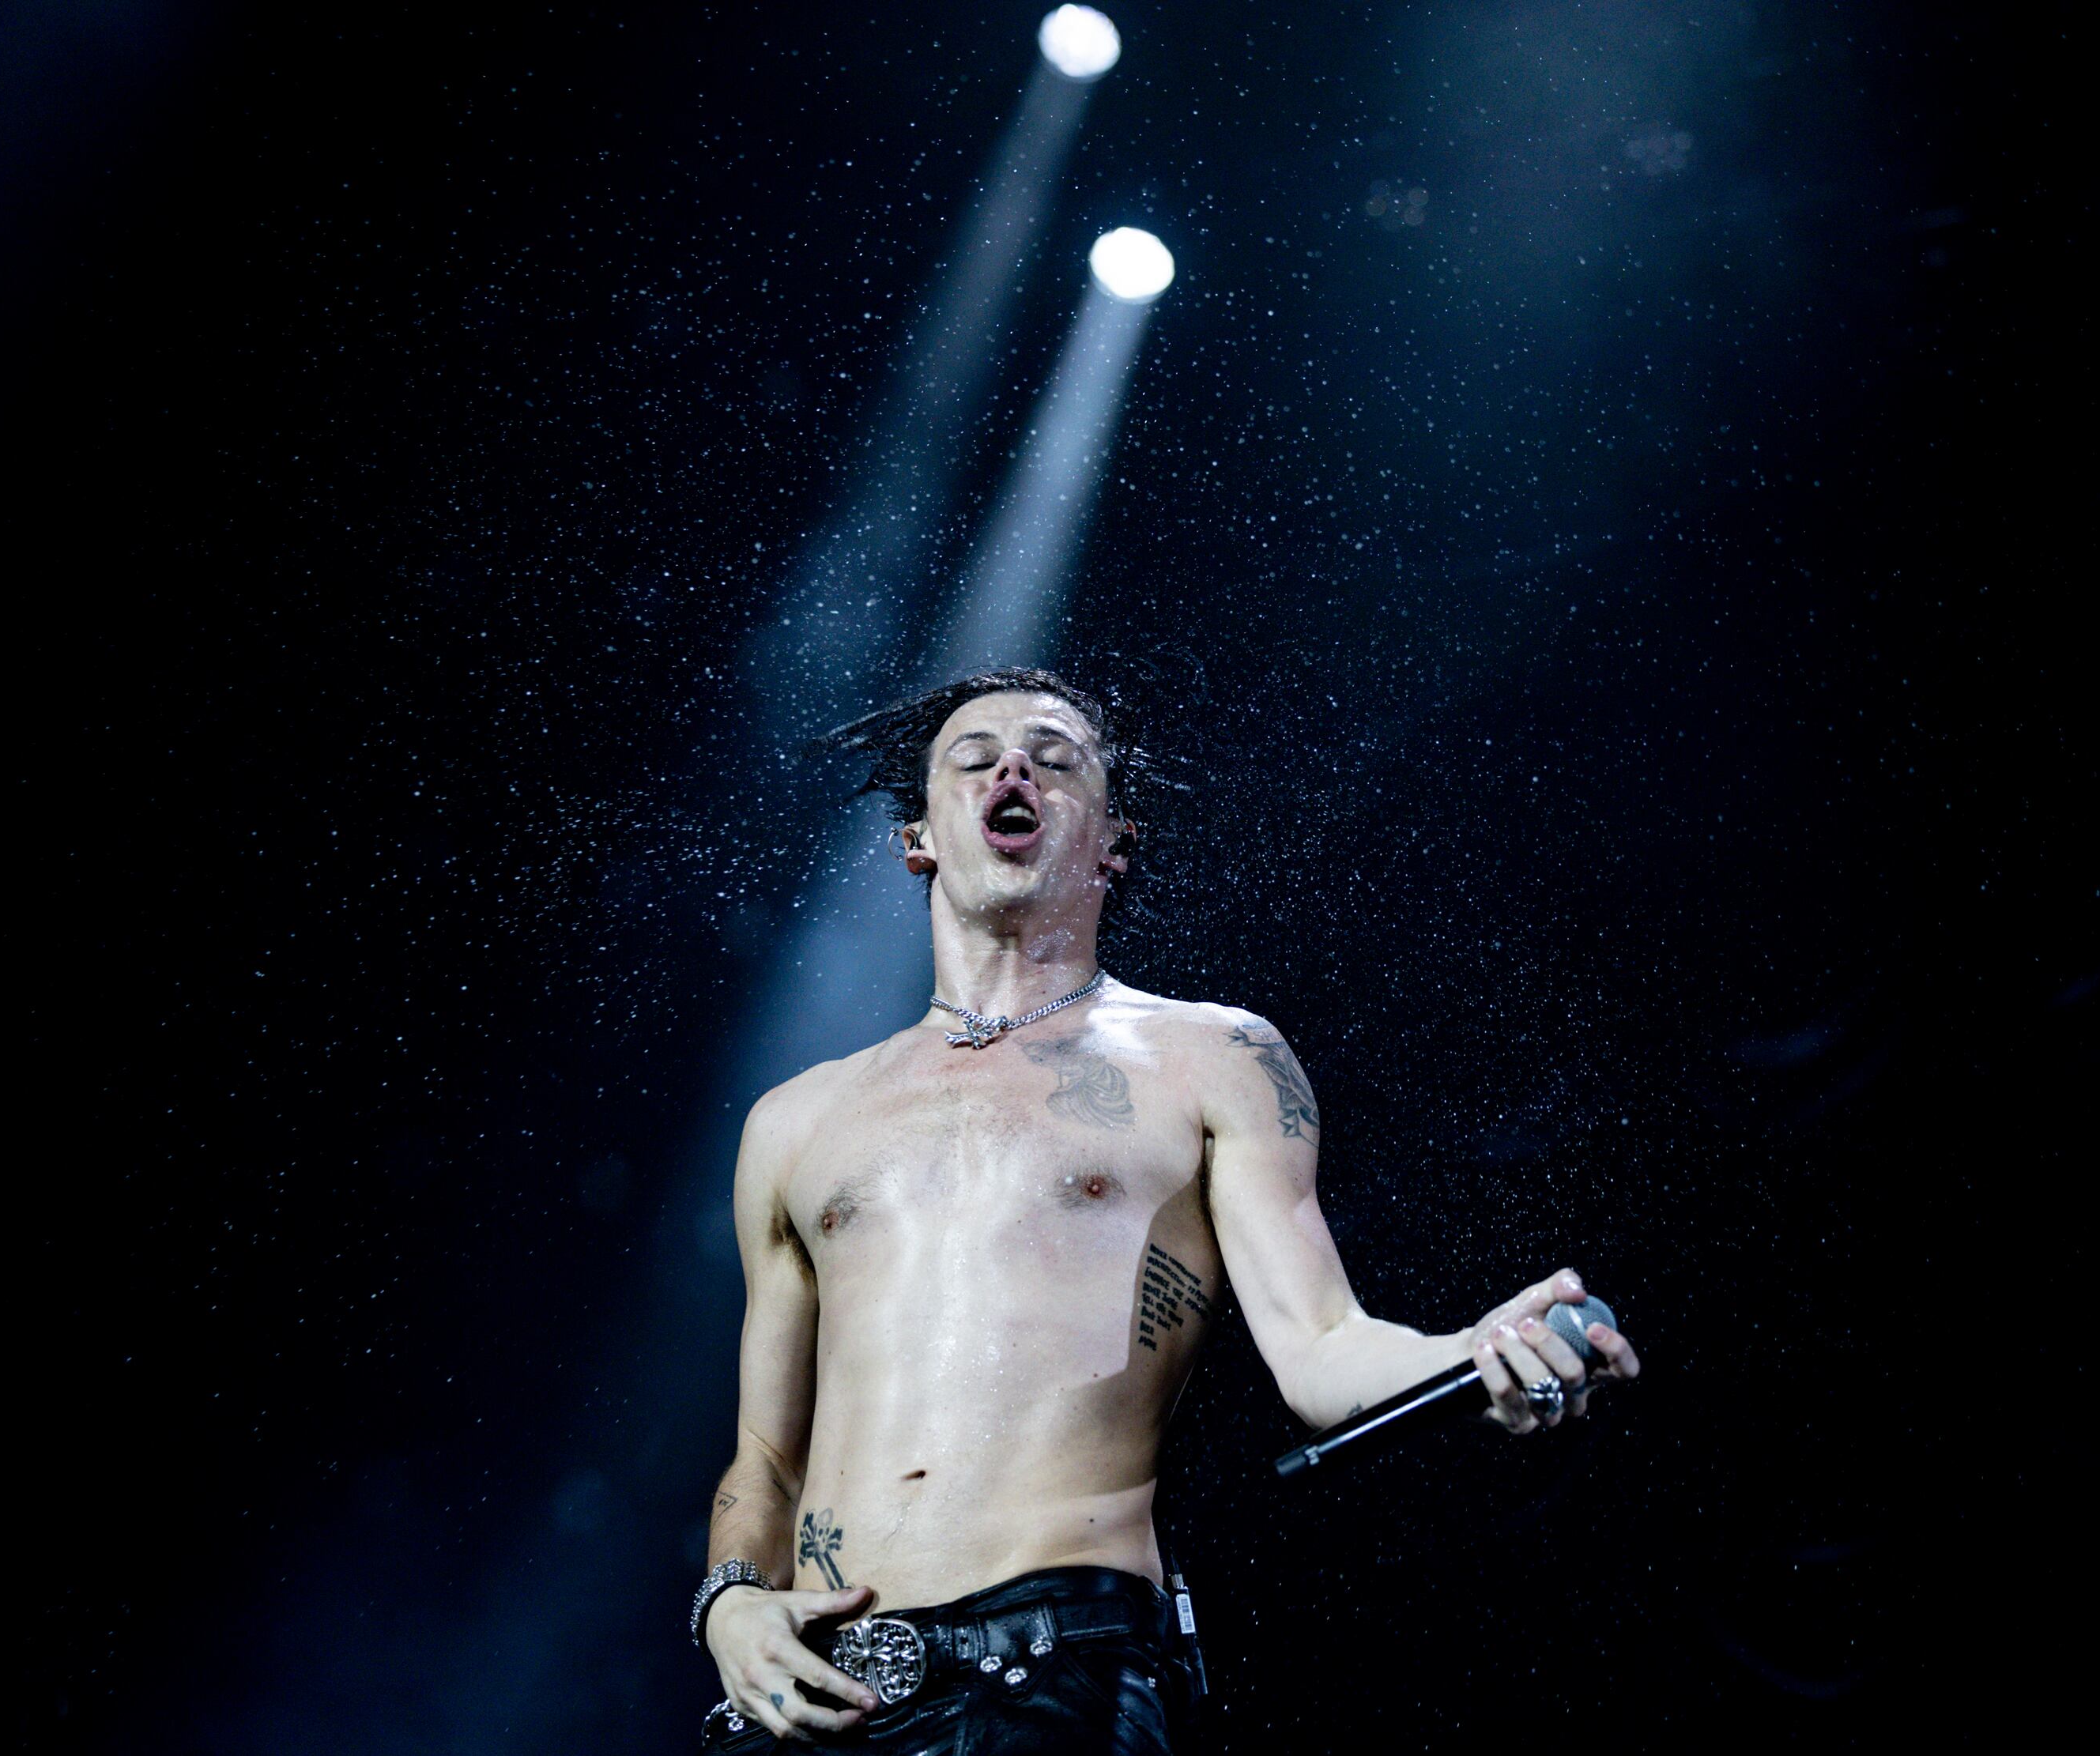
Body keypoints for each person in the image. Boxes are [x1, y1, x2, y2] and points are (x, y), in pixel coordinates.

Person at [693, 668, 1638, 1750]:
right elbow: (766, 1453)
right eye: (976, 756)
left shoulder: (1211, 1057)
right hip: (805, 1692)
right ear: (918, 836)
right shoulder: (795, 1120)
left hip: (1054, 1672)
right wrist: (727, 1601)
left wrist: (1470, 1353)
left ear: (1110, 841)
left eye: (1055, 761)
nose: (1014, 770)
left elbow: (1323, 1346)